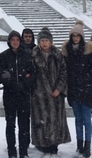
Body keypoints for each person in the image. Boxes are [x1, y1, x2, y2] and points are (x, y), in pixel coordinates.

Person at [30, 27, 71, 156]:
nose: (44, 43)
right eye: (42, 40)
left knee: (55, 120)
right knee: (41, 120)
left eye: (46, 40)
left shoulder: (58, 55)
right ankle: (42, 143)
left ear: (51, 42)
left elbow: (64, 73)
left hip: (55, 94)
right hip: (39, 95)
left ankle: (54, 144)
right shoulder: (33, 55)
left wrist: (59, 88)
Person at [0, 30, 36, 158]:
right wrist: (11, 83)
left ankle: (23, 151)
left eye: (17, 40)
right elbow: (0, 75)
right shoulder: (4, 56)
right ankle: (11, 151)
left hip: (24, 94)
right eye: (13, 40)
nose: (15, 42)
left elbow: (33, 74)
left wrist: (24, 83)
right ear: (9, 41)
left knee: (24, 124)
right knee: (10, 124)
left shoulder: (27, 55)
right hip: (10, 94)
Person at [62, 20, 92, 158]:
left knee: (87, 120)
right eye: (73, 35)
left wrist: (88, 84)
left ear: (81, 37)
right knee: (78, 120)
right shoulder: (68, 53)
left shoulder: (88, 52)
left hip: (86, 90)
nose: (76, 38)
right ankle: (79, 145)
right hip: (74, 90)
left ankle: (87, 146)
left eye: (78, 35)